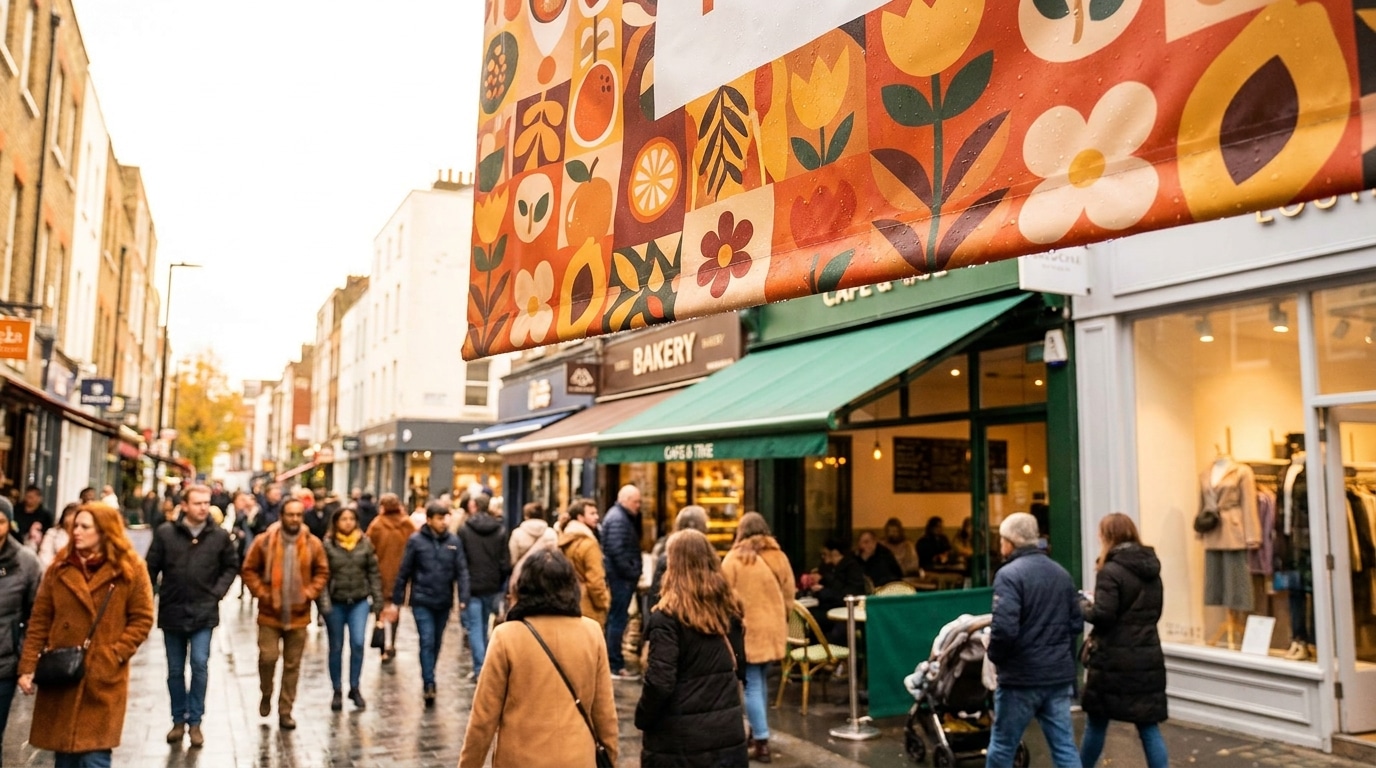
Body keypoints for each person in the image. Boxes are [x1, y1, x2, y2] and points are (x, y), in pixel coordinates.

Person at [17, 503, 155, 768]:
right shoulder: (60, 566)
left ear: (104, 531)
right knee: (64, 757)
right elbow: (40, 620)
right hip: (63, 673)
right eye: (75, 526)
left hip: (103, 677)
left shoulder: (130, 568)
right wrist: (28, 666)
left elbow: (142, 619)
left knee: (95, 757)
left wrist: (114, 654)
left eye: (84, 527)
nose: (76, 531)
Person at [458, 548, 619, 768]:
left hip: (520, 760)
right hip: (578, 758)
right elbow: (605, 714)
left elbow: (483, 718)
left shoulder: (506, 636)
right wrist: (610, 757)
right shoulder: (592, 632)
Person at [636, 529, 748, 766]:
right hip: (726, 735)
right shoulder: (729, 609)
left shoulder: (667, 618)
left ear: (673, 566)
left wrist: (643, 717)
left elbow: (660, 682)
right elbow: (740, 667)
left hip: (680, 741)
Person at [144, 484, 239, 748]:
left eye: (206, 502)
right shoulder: (166, 533)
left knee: (199, 664)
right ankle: (178, 719)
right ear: (184, 505)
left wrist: (217, 592)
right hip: (172, 610)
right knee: (175, 670)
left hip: (203, 611)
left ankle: (195, 721)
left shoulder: (219, 536)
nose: (203, 507)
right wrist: (150, 596)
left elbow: (231, 565)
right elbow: (150, 568)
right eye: (197, 503)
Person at [985, 512, 1083, 768]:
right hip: (1057, 676)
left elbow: (1004, 629)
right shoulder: (1061, 573)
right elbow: (1076, 623)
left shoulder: (1008, 575)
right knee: (1064, 747)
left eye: (1001, 540)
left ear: (1010, 542)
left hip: (1020, 678)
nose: (1000, 545)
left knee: (1002, 747)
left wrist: (995, 657)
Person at [1079, 513, 1168, 768]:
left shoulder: (1110, 570)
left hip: (1113, 659)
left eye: (1100, 533)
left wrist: (1083, 605)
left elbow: (1103, 615)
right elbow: (1154, 611)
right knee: (1148, 726)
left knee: (1096, 723)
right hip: (1147, 655)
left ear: (1107, 536)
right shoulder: (1152, 569)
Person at [240, 499, 329, 730]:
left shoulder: (312, 543)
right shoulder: (264, 541)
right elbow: (249, 570)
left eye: (299, 515)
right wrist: (263, 593)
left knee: (292, 665)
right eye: (291, 514)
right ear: (281, 516)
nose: (295, 519)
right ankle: (266, 692)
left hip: (299, 614)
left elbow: (322, 571)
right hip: (269, 614)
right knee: (267, 658)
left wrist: (309, 592)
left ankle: (285, 710)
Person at [721, 512, 795, 763]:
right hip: (773, 628)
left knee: (750, 684)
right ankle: (755, 731)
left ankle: (762, 741)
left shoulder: (734, 559)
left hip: (748, 631)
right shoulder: (779, 557)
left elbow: (724, 596)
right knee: (760, 680)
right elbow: (789, 595)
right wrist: (781, 617)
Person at [384, 502, 470, 708]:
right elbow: (404, 571)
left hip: (444, 600)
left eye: (445, 518)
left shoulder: (454, 542)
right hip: (422, 599)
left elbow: (462, 571)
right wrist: (397, 600)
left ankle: (430, 672)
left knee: (437, 642)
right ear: (429, 520)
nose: (443, 522)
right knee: (427, 640)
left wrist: (463, 597)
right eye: (439, 518)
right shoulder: (416, 541)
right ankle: (429, 682)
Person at [323, 505, 383, 711]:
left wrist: (377, 601)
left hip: (359, 601)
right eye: (343, 519)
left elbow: (373, 573)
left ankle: (355, 686)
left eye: (351, 519)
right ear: (336, 522)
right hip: (336, 602)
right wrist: (324, 604)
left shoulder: (365, 543)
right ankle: (337, 689)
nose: (348, 522)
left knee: (358, 643)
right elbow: (323, 576)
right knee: (336, 646)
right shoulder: (328, 545)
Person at [0, 506, 42, 755]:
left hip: (4, 663)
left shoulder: (25, 561)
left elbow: (37, 615)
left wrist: (26, 660)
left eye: (1, 521)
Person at [458, 494, 511, 680]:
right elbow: (505, 562)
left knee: (475, 627)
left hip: (471, 584)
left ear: (474, 506)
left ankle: (480, 668)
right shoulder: (500, 530)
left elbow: (461, 560)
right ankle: (486, 666)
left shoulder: (464, 529)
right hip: (492, 584)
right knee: (484, 625)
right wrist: (501, 583)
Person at [602, 484, 644, 679]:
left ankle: (614, 661)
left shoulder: (620, 517)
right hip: (620, 579)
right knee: (617, 619)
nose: (638, 505)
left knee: (617, 619)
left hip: (621, 577)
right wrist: (633, 571)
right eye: (636, 502)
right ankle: (615, 664)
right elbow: (616, 551)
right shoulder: (619, 519)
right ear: (625, 500)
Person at [366, 492, 413, 662]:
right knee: (395, 609)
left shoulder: (377, 525)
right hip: (401, 574)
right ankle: (391, 642)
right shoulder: (407, 524)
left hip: (380, 574)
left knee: (380, 608)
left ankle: (381, 643)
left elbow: (367, 548)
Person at [558, 498, 611, 627]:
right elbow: (595, 581)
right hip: (588, 606)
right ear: (580, 517)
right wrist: (604, 602)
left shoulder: (564, 539)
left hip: (567, 601)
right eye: (592, 513)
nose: (596, 517)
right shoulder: (589, 544)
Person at [646, 505, 708, 610]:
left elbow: (654, 599)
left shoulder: (666, 556)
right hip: (698, 614)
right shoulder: (708, 558)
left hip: (672, 613)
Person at [807, 537, 866, 643]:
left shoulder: (851, 568)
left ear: (834, 553)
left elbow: (846, 593)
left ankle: (825, 650)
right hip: (832, 607)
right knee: (810, 617)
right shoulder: (830, 567)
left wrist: (823, 590)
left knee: (815, 620)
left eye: (825, 554)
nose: (823, 557)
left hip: (846, 611)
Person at [508, 502, 556, 567]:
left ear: (526, 516)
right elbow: (555, 556)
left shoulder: (517, 533)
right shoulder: (551, 533)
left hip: (524, 570)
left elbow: (513, 559)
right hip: (546, 571)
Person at [38, 503, 79, 570]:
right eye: (68, 515)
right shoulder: (53, 534)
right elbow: (44, 556)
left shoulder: (82, 536)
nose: (69, 519)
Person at [15, 485, 50, 550]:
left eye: (32, 497)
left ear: (39, 498)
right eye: (28, 496)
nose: (30, 499)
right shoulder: (16, 510)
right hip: (16, 543)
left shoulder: (45, 516)